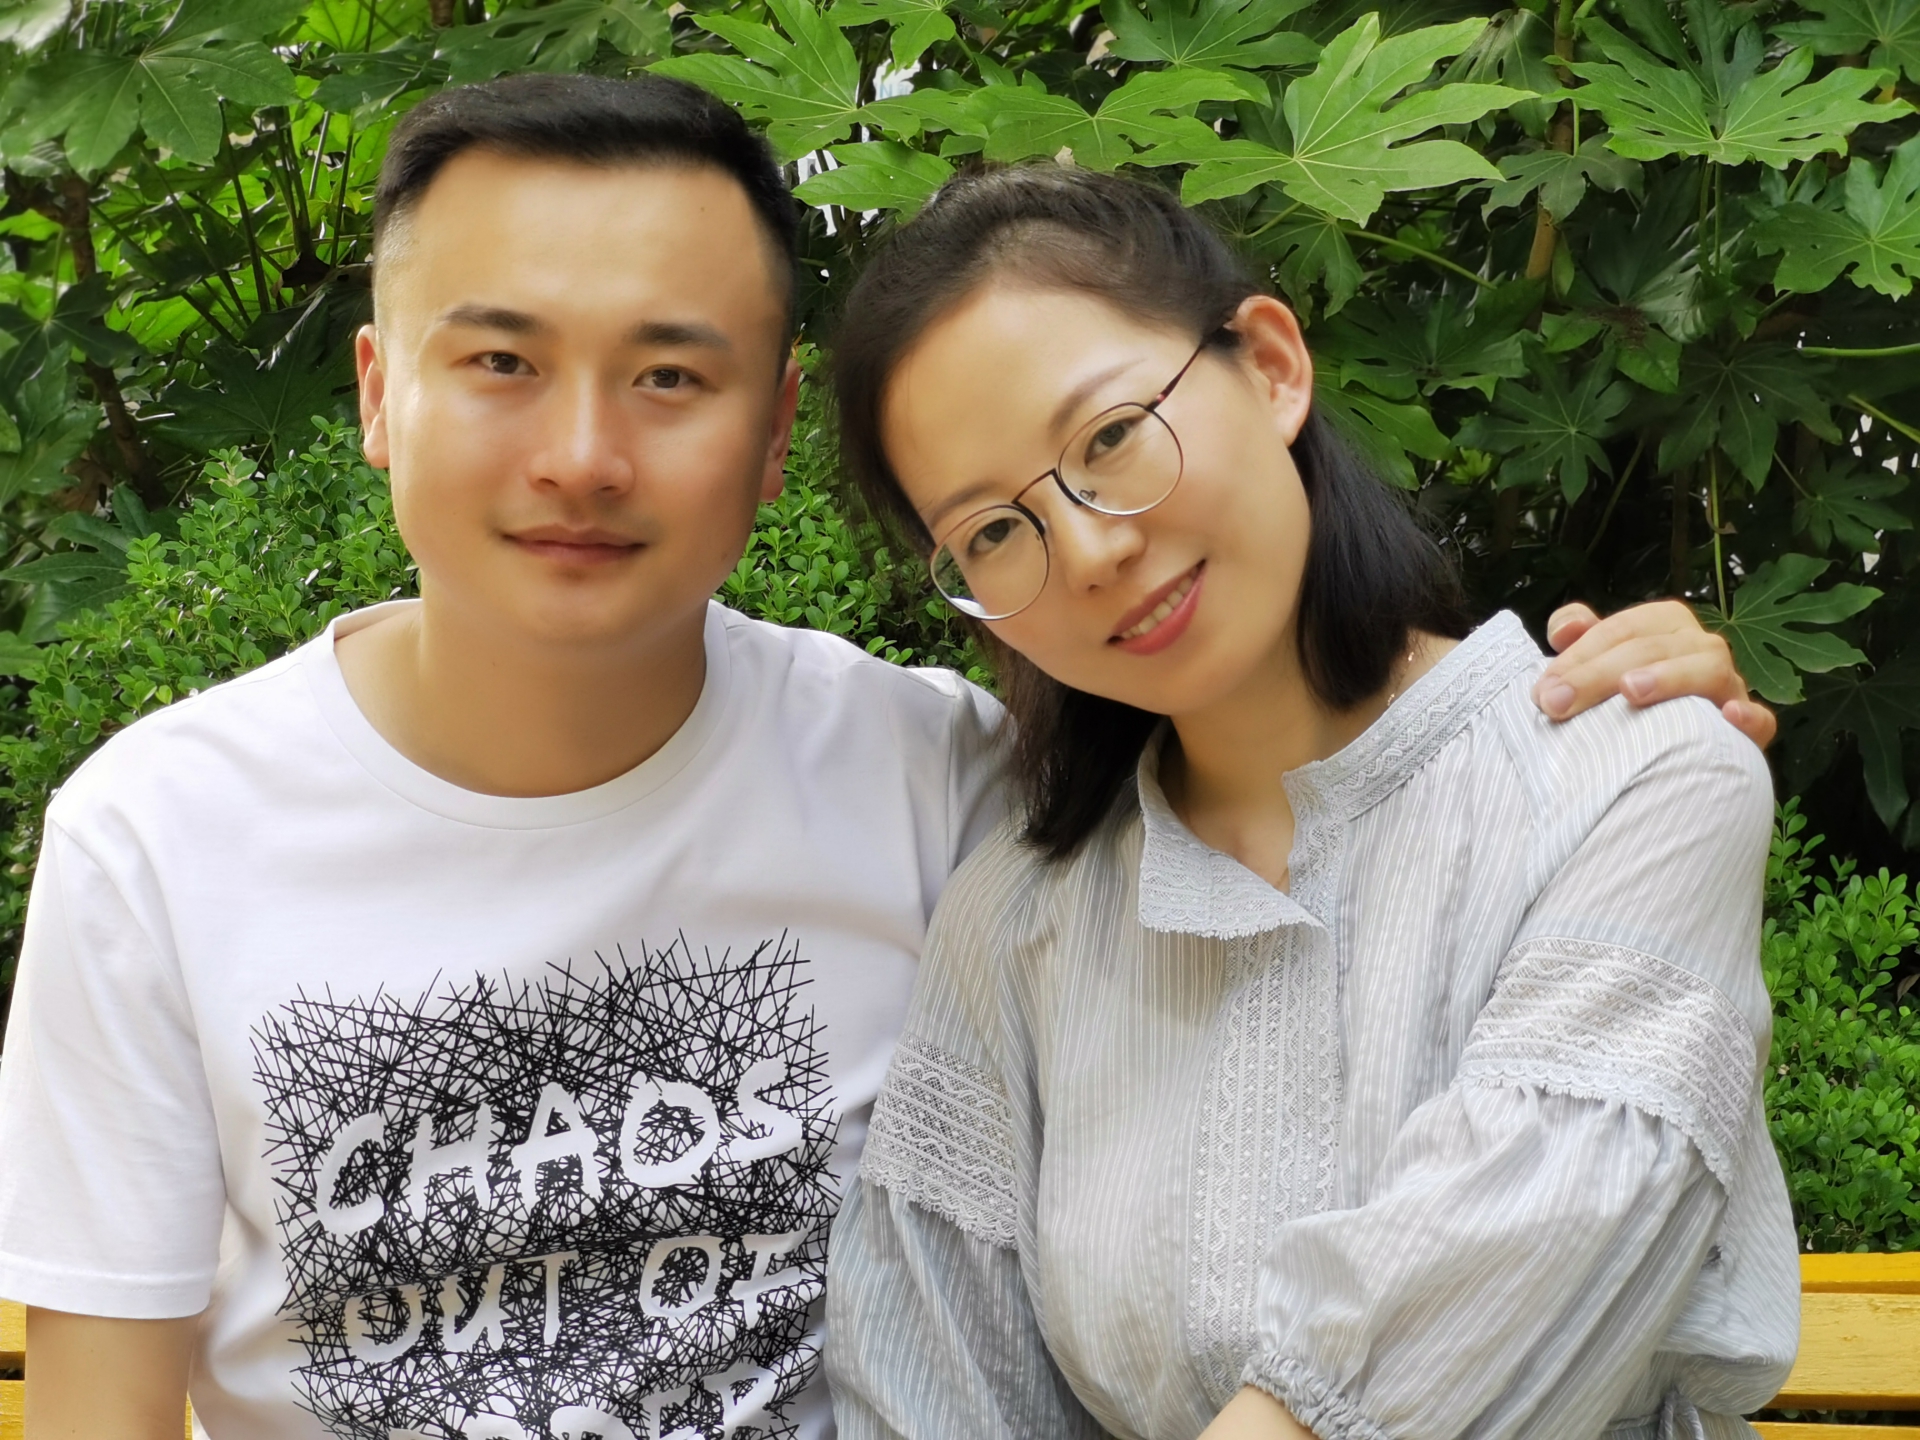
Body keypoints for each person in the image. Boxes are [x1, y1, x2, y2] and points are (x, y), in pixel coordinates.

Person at [0, 74, 1764, 1440]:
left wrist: (1650, 729)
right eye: (503, 362)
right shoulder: (157, 839)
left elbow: (1546, 1189)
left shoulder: (939, 782)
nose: (583, 454)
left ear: (770, 440)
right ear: (381, 391)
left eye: (669, 378)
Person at [823, 166, 1799, 1440]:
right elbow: (931, 1373)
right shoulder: (1015, 922)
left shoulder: (1632, 775)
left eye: (1110, 438)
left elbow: (1519, 1268)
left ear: (1273, 368)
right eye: (995, 532)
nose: (1093, 549)